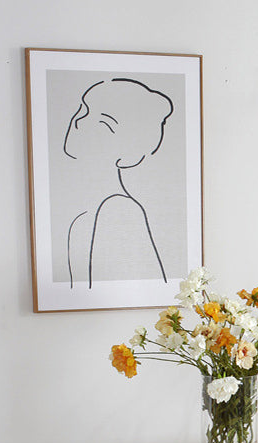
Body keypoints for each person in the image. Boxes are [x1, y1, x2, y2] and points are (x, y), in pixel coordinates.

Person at [62, 77, 174, 287]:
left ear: (129, 157)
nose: (81, 121)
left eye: (104, 123)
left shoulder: (118, 208)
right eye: (84, 109)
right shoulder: (85, 216)